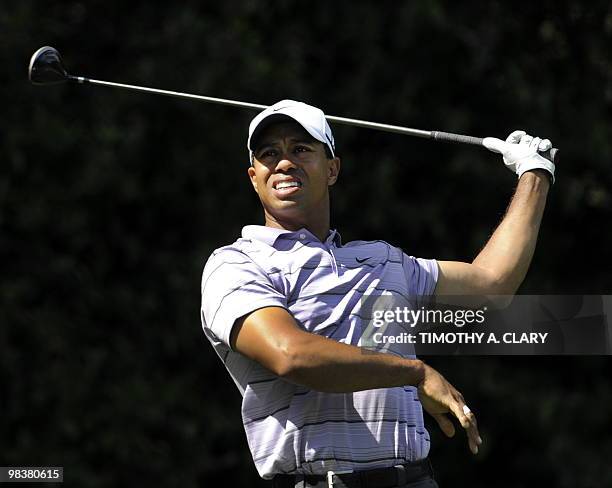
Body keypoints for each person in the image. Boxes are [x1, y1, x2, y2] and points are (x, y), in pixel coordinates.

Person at [200, 100, 555, 488]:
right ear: (254, 177)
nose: (284, 162)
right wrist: (414, 373)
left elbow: (492, 284)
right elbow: (291, 354)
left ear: (332, 168)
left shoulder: (385, 260)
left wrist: (535, 174)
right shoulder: (236, 263)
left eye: (301, 149)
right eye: (269, 154)